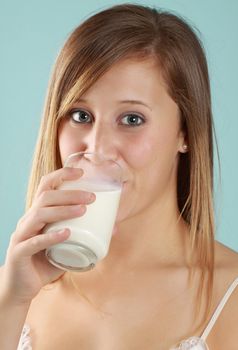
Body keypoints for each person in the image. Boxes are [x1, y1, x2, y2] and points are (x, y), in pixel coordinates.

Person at [1, 3, 238, 350]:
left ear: (185, 132)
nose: (98, 148)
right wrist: (12, 302)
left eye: (131, 119)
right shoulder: (17, 287)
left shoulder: (230, 292)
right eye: (80, 115)